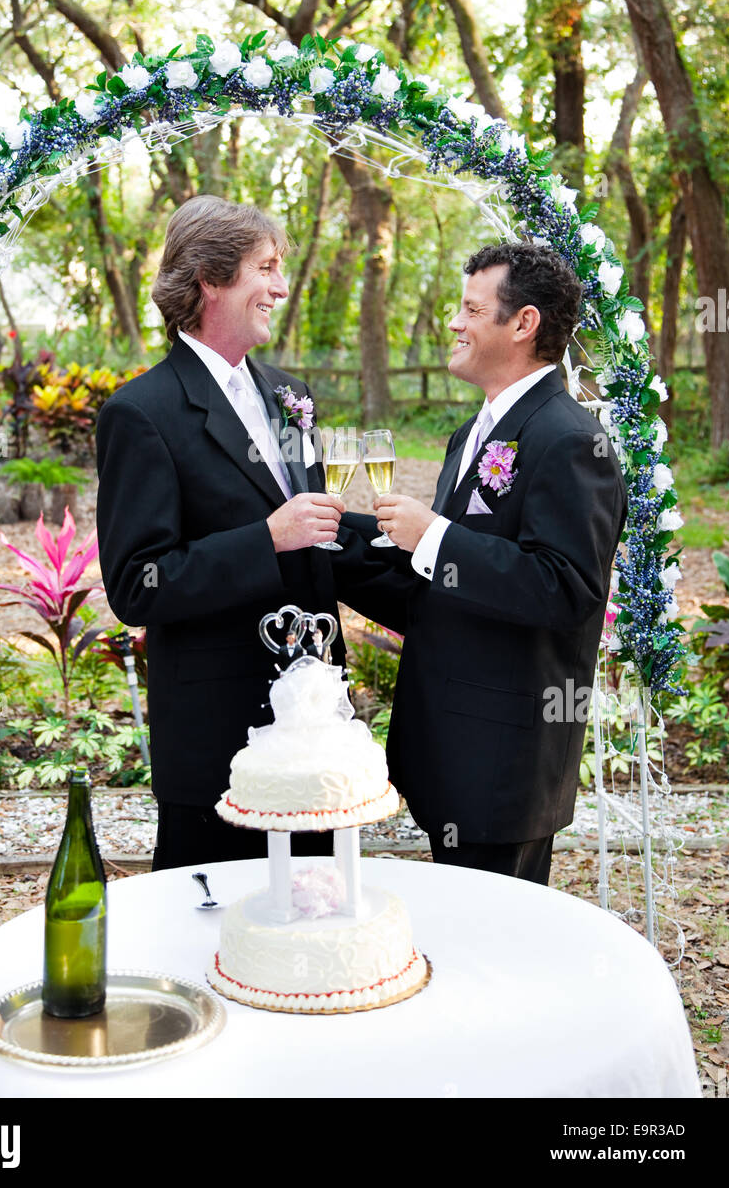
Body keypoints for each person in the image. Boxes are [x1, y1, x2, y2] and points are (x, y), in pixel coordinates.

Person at [95, 195, 408, 870]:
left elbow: (315, 543)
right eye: (265, 268)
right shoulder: (141, 413)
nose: (281, 286)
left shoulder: (291, 397)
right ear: (209, 280)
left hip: (314, 726)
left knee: (317, 921)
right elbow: (135, 585)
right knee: (204, 932)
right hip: (217, 740)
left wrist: (436, 575)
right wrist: (264, 539)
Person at [371, 241, 627, 885]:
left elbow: (564, 588)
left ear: (523, 323)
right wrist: (324, 544)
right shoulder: (473, 434)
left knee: (496, 954)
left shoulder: (571, 440)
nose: (454, 323)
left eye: (470, 309)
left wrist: (433, 536)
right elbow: (446, 586)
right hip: (450, 751)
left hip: (503, 760)